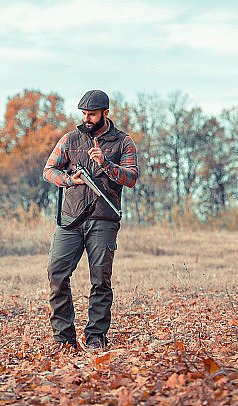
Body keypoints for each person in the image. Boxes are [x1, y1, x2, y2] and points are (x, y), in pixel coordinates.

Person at [42, 89, 139, 351]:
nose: (87, 118)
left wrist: (106, 163)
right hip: (70, 219)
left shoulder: (123, 142)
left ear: (105, 113)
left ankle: (96, 337)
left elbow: (131, 178)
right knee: (56, 273)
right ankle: (64, 340)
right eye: (84, 113)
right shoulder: (69, 139)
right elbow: (48, 170)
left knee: (100, 280)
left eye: (92, 114)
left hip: (104, 219)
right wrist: (68, 179)